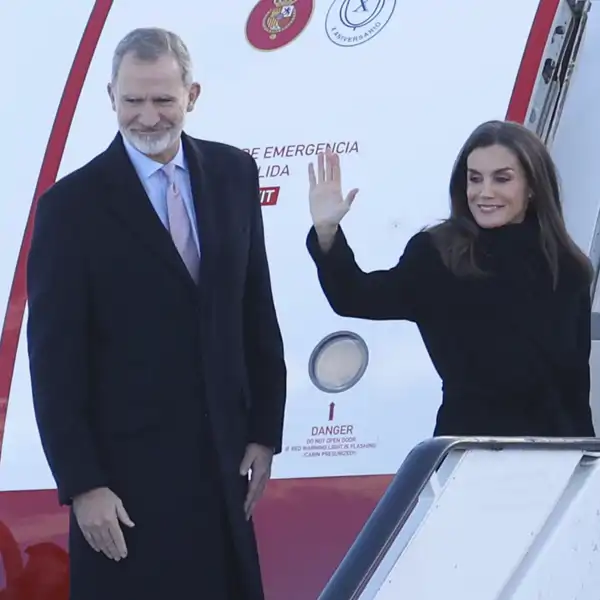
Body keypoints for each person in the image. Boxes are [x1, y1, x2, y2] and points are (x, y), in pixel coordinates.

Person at [26, 27, 286, 600]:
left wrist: (266, 432)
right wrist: (83, 485)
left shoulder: (234, 175)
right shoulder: (70, 208)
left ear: (191, 96)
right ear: (111, 98)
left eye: (163, 100)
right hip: (125, 493)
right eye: (133, 101)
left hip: (222, 477)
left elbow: (255, 309)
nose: (148, 117)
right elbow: (53, 364)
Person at [306, 120, 596, 438]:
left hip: (551, 458)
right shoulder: (439, 254)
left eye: (502, 179)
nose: (485, 192)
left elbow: (575, 385)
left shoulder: (568, 267)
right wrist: (326, 232)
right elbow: (354, 297)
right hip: (467, 453)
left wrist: (584, 462)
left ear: (531, 187)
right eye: (475, 179)